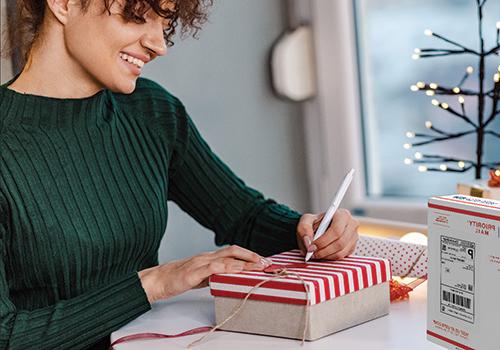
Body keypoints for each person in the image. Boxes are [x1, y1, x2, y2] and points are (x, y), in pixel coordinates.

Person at [0, 0, 360, 348]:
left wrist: (310, 231)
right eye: (138, 15)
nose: (158, 45)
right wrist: (153, 284)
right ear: (64, 3)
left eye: (165, 24)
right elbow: (6, 335)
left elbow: (244, 218)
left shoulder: (151, 111)